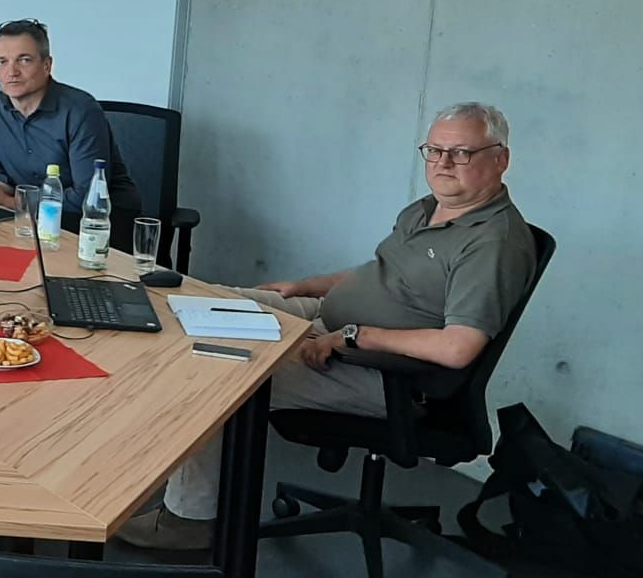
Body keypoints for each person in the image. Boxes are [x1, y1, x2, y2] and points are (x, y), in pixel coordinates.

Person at [119, 102, 537, 552]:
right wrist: (306, 286)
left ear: (500, 159)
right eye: (434, 151)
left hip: (381, 374)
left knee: (212, 371)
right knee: (189, 300)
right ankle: (132, 465)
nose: (443, 163)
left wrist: (354, 335)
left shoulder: (492, 243)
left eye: (461, 153)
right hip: (324, 320)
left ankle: (191, 518)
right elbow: (379, 272)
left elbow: (458, 348)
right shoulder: (429, 209)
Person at [0, 18, 142, 227]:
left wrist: (10, 202)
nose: (11, 72)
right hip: (34, 220)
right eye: (2, 61)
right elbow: (0, 175)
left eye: (24, 60)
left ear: (47, 65)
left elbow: (86, 197)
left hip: (98, 224)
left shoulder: (81, 111)